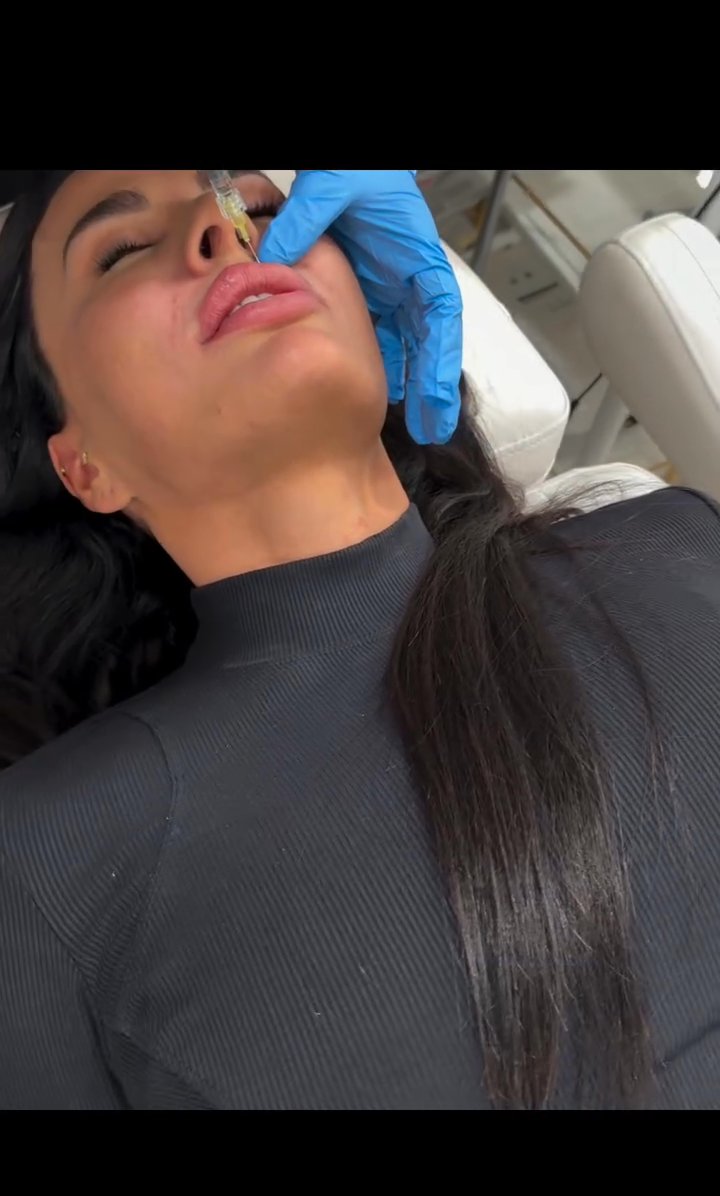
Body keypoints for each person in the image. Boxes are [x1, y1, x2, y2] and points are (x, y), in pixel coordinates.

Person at [0, 169, 717, 1110]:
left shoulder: (676, 543)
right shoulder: (42, 869)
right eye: (121, 251)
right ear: (84, 465)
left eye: (259, 206)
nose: (224, 227)